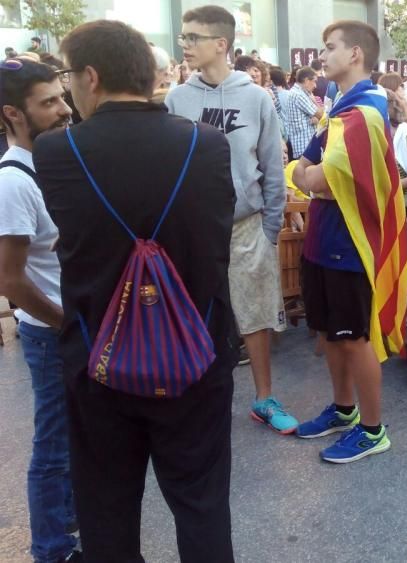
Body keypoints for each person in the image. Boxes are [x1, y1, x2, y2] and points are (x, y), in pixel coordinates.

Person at [33, 20, 238, 560]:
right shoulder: (208, 145)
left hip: (99, 357)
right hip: (196, 353)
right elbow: (214, 250)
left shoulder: (57, 153)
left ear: (91, 77)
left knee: (106, 510)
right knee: (202, 505)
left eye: (67, 75)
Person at [167, 5, 294, 433]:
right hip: (194, 231)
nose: (184, 45)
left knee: (255, 314)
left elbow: (272, 169)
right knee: (194, 314)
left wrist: (270, 228)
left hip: (247, 225)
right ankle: (199, 400)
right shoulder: (177, 99)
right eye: (183, 37)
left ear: (221, 44)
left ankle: (264, 398)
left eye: (192, 38)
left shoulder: (257, 98)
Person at [291, 20, 407, 463]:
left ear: (355, 53)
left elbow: (317, 174)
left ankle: (374, 430)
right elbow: (301, 167)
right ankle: (344, 410)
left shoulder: (366, 111)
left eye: (329, 48)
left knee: (354, 336)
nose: (321, 56)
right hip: (324, 236)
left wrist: (312, 179)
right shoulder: (343, 107)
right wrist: (312, 180)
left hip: (350, 243)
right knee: (331, 333)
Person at [0, 59, 78, 563]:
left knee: (72, 437)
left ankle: (68, 518)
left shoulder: (49, 161)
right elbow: (9, 279)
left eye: (62, 96)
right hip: (51, 334)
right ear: (13, 114)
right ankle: (50, 549)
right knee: (52, 449)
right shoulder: (12, 183)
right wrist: (64, 321)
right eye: (48, 102)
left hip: (69, 325)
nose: (64, 109)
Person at [285, 67, 323, 159]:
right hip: (305, 147)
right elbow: (322, 115)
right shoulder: (299, 95)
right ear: (306, 81)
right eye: (314, 81)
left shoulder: (298, 93)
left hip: (303, 147)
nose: (315, 86)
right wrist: (314, 101)